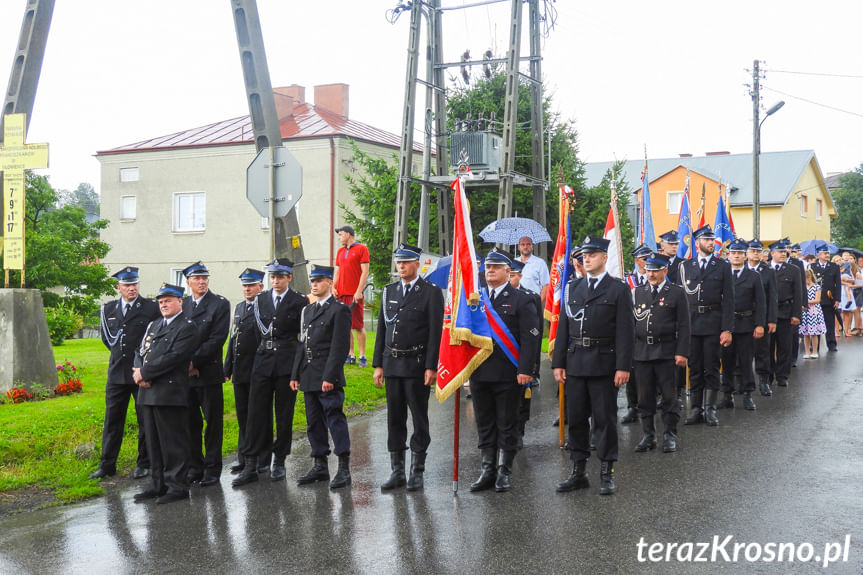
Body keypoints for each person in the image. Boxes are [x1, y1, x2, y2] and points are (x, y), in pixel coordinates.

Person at [553, 236, 633, 496]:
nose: (585, 259)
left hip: (603, 362)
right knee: (575, 420)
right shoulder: (572, 288)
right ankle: (578, 472)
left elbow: (625, 331)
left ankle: (607, 472)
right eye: (583, 256)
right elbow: (564, 327)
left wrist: (623, 366)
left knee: (605, 420)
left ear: (604, 258)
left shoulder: (617, 289)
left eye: (592, 255)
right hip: (576, 361)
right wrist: (558, 362)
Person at [372, 244, 444, 492]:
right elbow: (382, 330)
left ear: (417, 263)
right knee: (395, 419)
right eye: (398, 262)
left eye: (406, 262)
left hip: (416, 365)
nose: (400, 266)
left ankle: (417, 471)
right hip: (392, 364)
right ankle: (397, 471)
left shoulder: (430, 293)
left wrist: (431, 367)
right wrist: (378, 365)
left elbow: (436, 332)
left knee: (419, 418)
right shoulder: (388, 291)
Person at [468, 248, 540, 493]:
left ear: (508, 272)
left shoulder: (521, 299)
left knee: (507, 422)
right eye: (488, 267)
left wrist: (526, 369)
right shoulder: (474, 299)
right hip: (480, 372)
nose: (490, 270)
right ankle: (487, 469)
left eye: (496, 267)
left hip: (508, 373)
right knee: (485, 422)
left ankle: (504, 471)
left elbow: (530, 338)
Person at [233, 259, 307, 487]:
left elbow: (301, 338)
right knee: (256, 414)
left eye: (280, 277)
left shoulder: (299, 301)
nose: (275, 281)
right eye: (272, 277)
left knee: (283, 415)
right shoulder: (261, 299)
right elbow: (257, 334)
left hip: (286, 363)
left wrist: (297, 370)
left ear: (289, 278)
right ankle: (252, 463)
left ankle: (280, 460)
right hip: (262, 363)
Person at [132, 283, 200, 504]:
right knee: (153, 442)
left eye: (168, 300)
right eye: (161, 302)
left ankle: (177, 486)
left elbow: (174, 357)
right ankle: (157, 484)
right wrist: (138, 372)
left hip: (169, 392)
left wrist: (145, 373)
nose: (164, 305)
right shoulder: (154, 325)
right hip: (148, 392)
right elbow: (140, 350)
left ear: (180, 301)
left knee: (173, 443)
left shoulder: (187, 327)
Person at [90, 267, 161, 480]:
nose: (132, 288)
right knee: (112, 420)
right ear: (118, 287)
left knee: (144, 419)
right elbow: (107, 339)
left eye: (135, 284)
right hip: (116, 372)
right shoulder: (108, 309)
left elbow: (156, 337)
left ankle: (144, 463)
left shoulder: (150, 307)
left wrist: (145, 367)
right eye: (127, 285)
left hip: (140, 371)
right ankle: (107, 464)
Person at [291, 265, 353, 489]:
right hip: (309, 374)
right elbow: (302, 342)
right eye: (312, 281)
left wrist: (330, 376)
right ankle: (320, 466)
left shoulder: (339, 310)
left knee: (334, 418)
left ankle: (344, 467)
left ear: (329, 282)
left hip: (328, 375)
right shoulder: (308, 310)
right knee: (313, 421)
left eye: (318, 281)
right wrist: (295, 373)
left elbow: (340, 346)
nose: (314, 285)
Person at [632, 253, 689, 453]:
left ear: (665, 270)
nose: (651, 274)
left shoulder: (676, 292)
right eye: (648, 270)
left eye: (655, 270)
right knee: (644, 397)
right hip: (642, 352)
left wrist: (682, 352)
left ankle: (669, 435)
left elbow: (684, 325)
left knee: (669, 397)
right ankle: (648, 435)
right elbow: (632, 324)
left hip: (666, 351)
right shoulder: (637, 292)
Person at [181, 262, 231, 487]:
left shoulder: (219, 304)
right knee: (190, 423)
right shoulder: (182, 304)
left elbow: (218, 338)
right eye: (197, 278)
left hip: (208, 372)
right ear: (188, 282)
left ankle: (212, 469)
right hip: (185, 374)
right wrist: (184, 363)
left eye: (205, 278)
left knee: (212, 423)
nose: (202, 282)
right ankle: (194, 466)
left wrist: (194, 361)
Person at [679, 225, 734, 427]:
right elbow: (679, 299)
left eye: (712, 240)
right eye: (707, 240)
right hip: (691, 323)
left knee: (711, 367)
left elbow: (729, 299)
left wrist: (727, 329)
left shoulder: (722, 266)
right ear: (698, 243)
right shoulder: (685, 266)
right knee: (694, 368)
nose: (711, 243)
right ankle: (696, 409)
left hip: (713, 322)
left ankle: (710, 409)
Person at [222, 268, 264, 477]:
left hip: (257, 370)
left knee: (258, 416)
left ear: (260, 287)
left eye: (251, 285)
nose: (247, 289)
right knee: (243, 416)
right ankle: (243, 457)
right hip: (240, 371)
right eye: (245, 285)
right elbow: (233, 339)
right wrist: (227, 367)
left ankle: (261, 460)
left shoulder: (263, 307)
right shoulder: (238, 308)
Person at [718, 239, 766, 411]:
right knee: (727, 361)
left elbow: (760, 303)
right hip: (726, 325)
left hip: (746, 323)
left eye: (739, 253)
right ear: (728, 255)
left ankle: (747, 394)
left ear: (745, 256)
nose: (736, 256)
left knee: (746, 361)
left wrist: (760, 324)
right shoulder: (722, 275)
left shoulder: (754, 276)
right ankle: (727, 395)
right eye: (733, 253)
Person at [508, 258, 542, 449]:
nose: (510, 278)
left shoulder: (531, 297)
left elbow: (536, 333)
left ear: (520, 276)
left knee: (522, 398)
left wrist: (533, 363)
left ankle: (519, 430)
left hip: (522, 356)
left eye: (513, 275)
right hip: (503, 358)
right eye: (509, 274)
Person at [621, 243, 652, 425]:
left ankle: (648, 404)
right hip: (632, 333)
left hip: (651, 331)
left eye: (650, 259)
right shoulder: (627, 281)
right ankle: (633, 407)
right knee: (631, 372)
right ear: (637, 260)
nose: (647, 262)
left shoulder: (655, 278)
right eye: (644, 259)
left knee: (649, 372)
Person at [333, 225, 370, 367]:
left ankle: (362, 356)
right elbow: (338, 271)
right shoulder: (340, 251)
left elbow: (365, 272)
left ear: (348, 234)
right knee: (345, 326)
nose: (339, 237)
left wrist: (359, 291)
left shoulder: (362, 249)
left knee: (358, 326)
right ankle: (351, 354)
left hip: (355, 294)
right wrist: (333, 288)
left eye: (341, 234)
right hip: (341, 294)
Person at [768, 241, 803, 388]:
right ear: (772, 253)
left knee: (784, 346)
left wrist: (797, 315)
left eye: (785, 252)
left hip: (785, 312)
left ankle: (782, 375)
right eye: (780, 251)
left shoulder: (793, 270)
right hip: (768, 314)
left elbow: (798, 294)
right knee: (767, 347)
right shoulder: (764, 269)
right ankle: (767, 375)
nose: (783, 254)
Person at [746, 240, 778, 397]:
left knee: (762, 351)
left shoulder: (768, 271)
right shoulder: (738, 269)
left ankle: (764, 381)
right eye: (752, 251)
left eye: (758, 251)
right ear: (747, 253)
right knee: (742, 351)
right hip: (742, 317)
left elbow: (773, 297)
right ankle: (743, 383)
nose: (755, 254)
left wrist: (772, 319)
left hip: (761, 316)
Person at [810, 244, 841, 352]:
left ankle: (831, 344)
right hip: (816, 299)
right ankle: (815, 346)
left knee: (830, 322)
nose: (827, 255)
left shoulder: (834, 266)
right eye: (825, 253)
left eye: (828, 253)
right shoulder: (812, 267)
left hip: (829, 299)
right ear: (819, 255)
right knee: (815, 323)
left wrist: (837, 299)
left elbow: (838, 284)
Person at [786, 242, 807, 367]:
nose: (787, 250)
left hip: (793, 302)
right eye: (785, 248)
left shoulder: (797, 263)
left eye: (789, 248)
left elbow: (802, 285)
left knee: (794, 332)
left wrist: (803, 303)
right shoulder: (772, 262)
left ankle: (793, 357)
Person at [516, 236, 550, 309]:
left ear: (532, 247)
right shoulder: (513, 263)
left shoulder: (540, 263)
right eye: (523, 244)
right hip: (514, 306)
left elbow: (546, 286)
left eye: (528, 244)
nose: (525, 247)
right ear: (518, 247)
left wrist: (537, 304)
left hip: (533, 305)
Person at [800, 268, 826, 358]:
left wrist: (805, 302)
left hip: (814, 312)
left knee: (813, 333)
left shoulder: (816, 287)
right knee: (805, 333)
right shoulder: (802, 288)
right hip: (804, 312)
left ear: (810, 277)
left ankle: (814, 351)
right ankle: (807, 352)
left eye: (806, 278)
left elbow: (817, 300)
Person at [839, 262, 858, 337]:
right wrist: (847, 283)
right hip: (844, 293)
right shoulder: (844, 275)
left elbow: (853, 280)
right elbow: (851, 280)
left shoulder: (845, 274)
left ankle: (846, 330)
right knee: (845, 312)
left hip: (846, 292)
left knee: (847, 312)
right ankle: (845, 330)